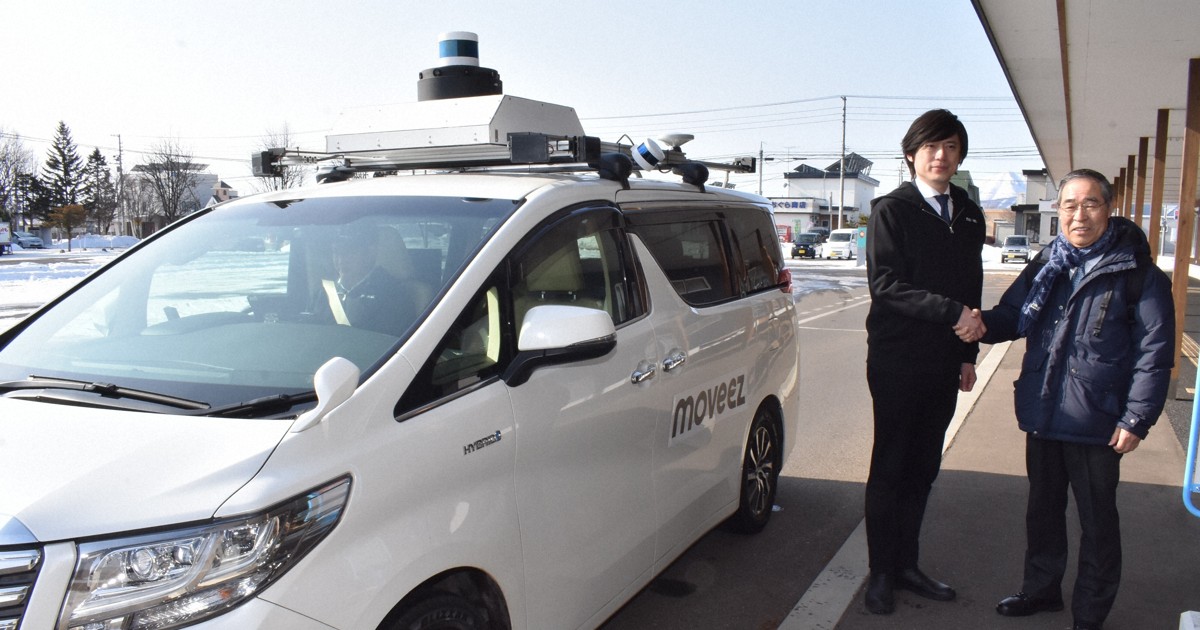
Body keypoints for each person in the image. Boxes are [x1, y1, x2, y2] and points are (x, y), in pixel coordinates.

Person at [967, 169, 1174, 630]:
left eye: (1090, 204)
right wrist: (974, 324)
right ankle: (1041, 591)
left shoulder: (1137, 273)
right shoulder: (1048, 263)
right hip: (1043, 409)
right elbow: (1012, 316)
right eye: (1069, 206)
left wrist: (1137, 417)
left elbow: (1155, 354)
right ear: (1058, 211)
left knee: (1098, 522)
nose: (1078, 215)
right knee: (1042, 510)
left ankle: (1090, 613)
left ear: (1108, 208)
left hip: (1097, 420)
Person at [862, 109, 987, 615]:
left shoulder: (970, 212)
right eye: (931, 146)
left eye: (951, 147)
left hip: (943, 361)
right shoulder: (892, 209)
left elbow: (970, 284)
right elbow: (885, 285)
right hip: (897, 360)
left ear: (959, 156)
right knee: (890, 465)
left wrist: (967, 353)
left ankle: (908, 565)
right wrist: (952, 312)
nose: (941, 156)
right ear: (911, 153)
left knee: (922, 467)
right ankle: (880, 573)